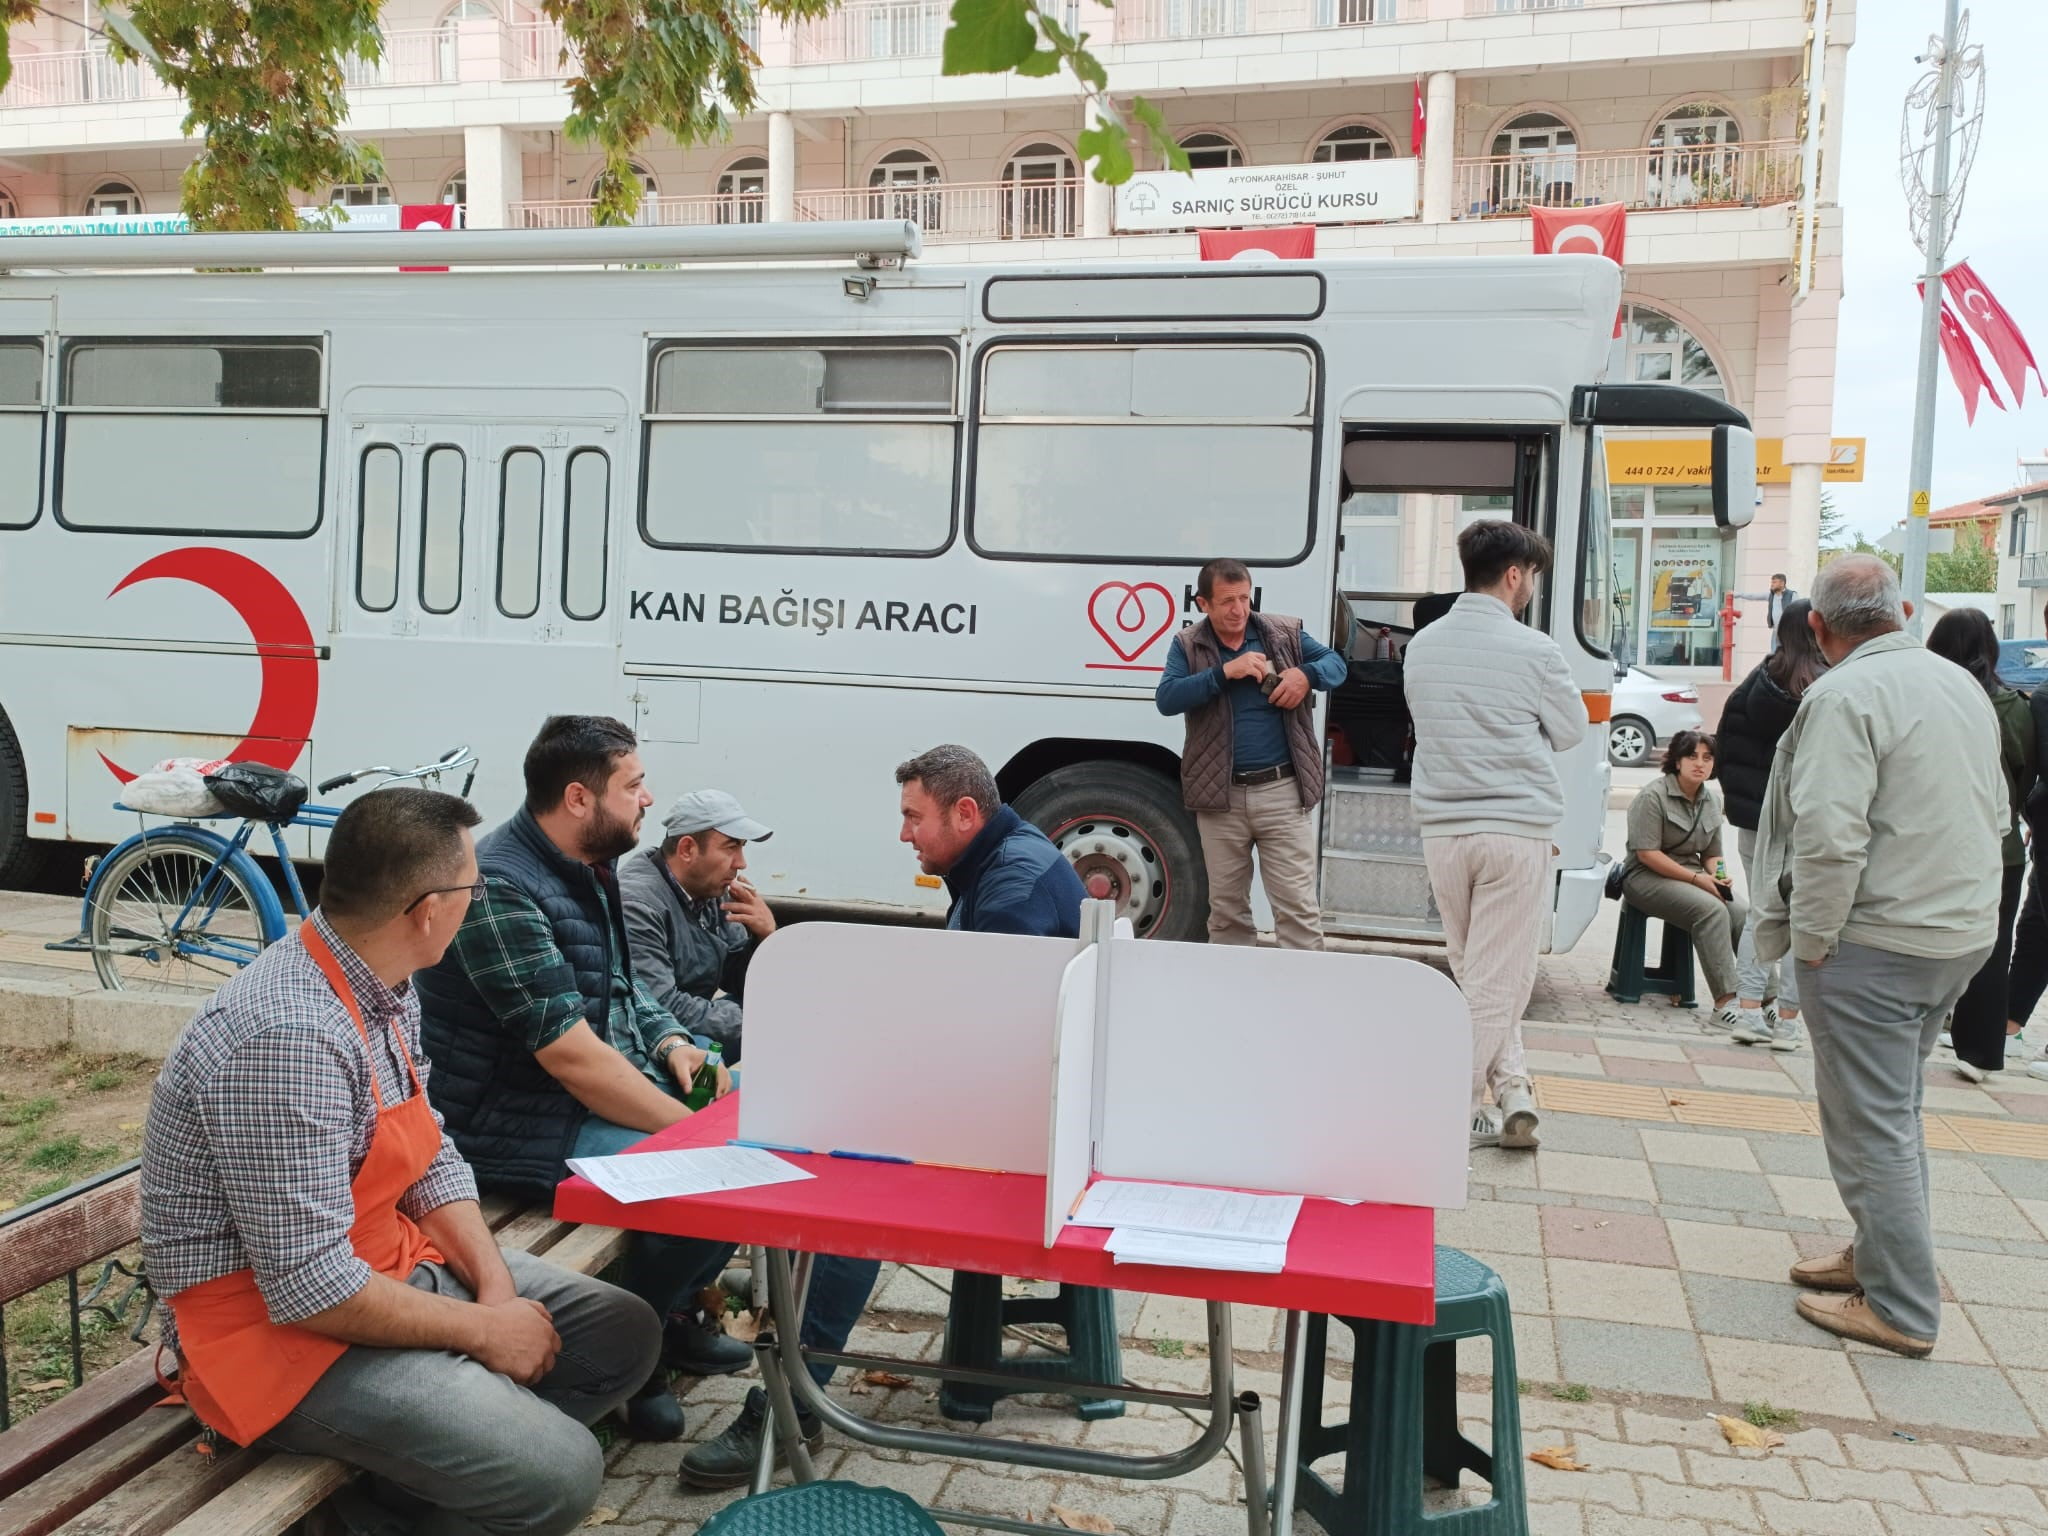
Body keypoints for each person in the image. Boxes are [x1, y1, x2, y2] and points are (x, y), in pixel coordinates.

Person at [142, 788, 659, 1536]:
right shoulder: (286, 1038)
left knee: (623, 1335)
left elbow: (429, 1155)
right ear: (426, 909)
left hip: (376, 1268)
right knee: (561, 1472)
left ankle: (397, 1494)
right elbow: (310, 1289)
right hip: (274, 1336)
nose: (478, 900)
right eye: (473, 887)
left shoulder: (383, 979)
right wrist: (484, 1333)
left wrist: (493, 1288)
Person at [683, 746, 1088, 1488]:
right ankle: (786, 1360)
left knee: (852, 1185)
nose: (904, 834)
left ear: (966, 813)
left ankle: (793, 1405)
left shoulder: (1012, 888)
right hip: (1018, 1101)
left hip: (1024, 1126)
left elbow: (983, 1037)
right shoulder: (999, 865)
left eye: (913, 817)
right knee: (829, 1143)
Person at [416, 716, 749, 1443]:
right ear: (577, 798)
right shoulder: (498, 887)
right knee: (717, 1173)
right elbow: (569, 1054)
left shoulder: (585, 864)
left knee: (747, 1132)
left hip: (565, 1101)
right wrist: (688, 1127)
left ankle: (665, 1314)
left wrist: (671, 1043)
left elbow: (624, 989)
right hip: (504, 1126)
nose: (648, 799)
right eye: (633, 786)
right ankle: (632, 1353)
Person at [1752, 555, 2001, 1357]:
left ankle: (1900, 1306)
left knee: (1873, 1123)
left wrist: (1812, 946)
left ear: (1818, 630)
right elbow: (1993, 810)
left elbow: (1828, 835)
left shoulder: (1843, 694)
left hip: (1876, 941)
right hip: (1957, 933)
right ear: (1903, 612)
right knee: (1893, 1113)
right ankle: (1878, 1254)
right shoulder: (1957, 683)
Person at [1404, 520, 1587, 1151]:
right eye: (1532, 576)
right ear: (1514, 574)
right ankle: (1446, 1121)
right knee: (1496, 985)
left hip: (1444, 834)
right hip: (1513, 832)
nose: (1531, 587)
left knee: (1480, 974)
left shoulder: (1421, 646)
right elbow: (1568, 732)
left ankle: (1513, 1089)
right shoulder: (1537, 651)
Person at [1155, 557, 1348, 950]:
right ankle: (1232, 1003)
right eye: (1227, 601)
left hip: (1283, 792)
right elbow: (1167, 698)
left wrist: (1304, 675)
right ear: (1203, 603)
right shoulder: (1188, 644)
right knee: (1226, 914)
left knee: (1298, 910)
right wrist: (1224, 673)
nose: (1239, 610)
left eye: (1244, 598)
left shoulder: (1283, 633)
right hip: (1219, 799)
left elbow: (1336, 664)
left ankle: (1306, 1002)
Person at [1712, 598, 1828, 1051]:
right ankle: (1789, 1023)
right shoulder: (1828, 687)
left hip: (1756, 822)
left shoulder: (1754, 684)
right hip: (1808, 821)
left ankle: (1746, 1012)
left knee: (1763, 913)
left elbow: (1725, 747)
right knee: (1805, 918)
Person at [1926, 608, 2034, 1083]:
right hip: (1999, 845)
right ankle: (1981, 1051)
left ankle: (1914, 1033)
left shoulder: (1925, 698)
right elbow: (2025, 772)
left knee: (1923, 935)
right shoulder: (2013, 705)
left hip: (1930, 843)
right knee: (1994, 942)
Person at [618, 790, 776, 1061]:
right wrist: (762, 1024)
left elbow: (738, 979)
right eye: (730, 847)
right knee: (704, 1043)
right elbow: (661, 1004)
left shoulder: (712, 889)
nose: (741, 863)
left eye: (742, 847)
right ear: (688, 849)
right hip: (649, 1040)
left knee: (779, 1008)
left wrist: (766, 938)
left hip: (688, 1023)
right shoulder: (637, 903)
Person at [1621, 732, 1748, 1036]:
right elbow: (1647, 854)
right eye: (1692, 757)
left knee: (1742, 911)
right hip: (1645, 877)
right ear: (1676, 761)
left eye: (1707, 758)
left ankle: (1762, 1000)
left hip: (1694, 875)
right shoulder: (1653, 796)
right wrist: (1699, 881)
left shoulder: (1711, 800)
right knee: (1711, 911)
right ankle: (1725, 1003)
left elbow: (1712, 854)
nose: (1699, 764)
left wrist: (1718, 875)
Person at [1735, 573, 1798, 653]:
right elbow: (1753, 596)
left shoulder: (1792, 595)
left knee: (1789, 655)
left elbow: (1798, 611)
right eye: (1771, 582)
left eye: (1774, 582)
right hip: (1776, 632)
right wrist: (1737, 595)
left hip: (1789, 632)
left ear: (1782, 583)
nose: (1772, 584)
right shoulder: (1771, 595)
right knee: (1774, 655)